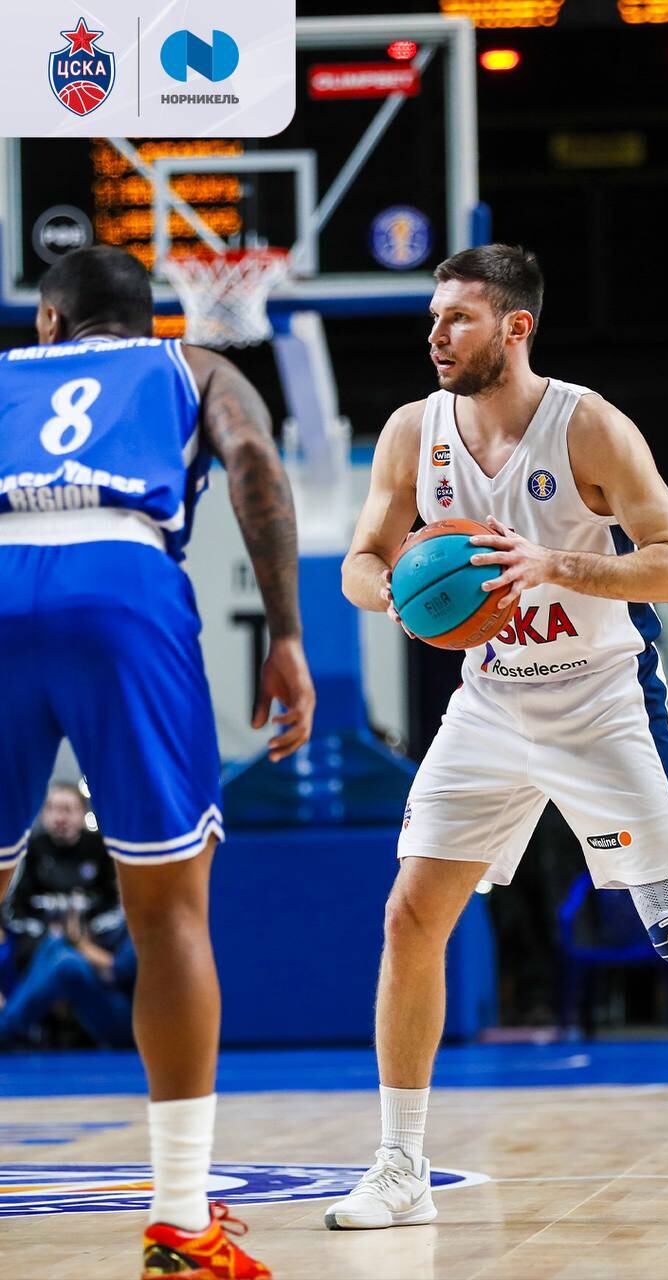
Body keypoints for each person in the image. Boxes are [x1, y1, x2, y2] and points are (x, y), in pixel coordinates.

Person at [336, 243, 668, 1230]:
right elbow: (361, 557)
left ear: (515, 327)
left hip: (603, 701)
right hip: (490, 702)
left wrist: (556, 564)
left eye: (459, 318)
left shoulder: (588, 426)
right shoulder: (412, 431)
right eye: (433, 318)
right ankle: (400, 1166)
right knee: (409, 917)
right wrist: (393, 592)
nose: (437, 335)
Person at [0, 246, 316, 1280]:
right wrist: (285, 634)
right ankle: (180, 1221)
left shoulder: (6, 371)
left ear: (50, 321)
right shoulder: (193, 365)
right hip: (121, 577)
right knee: (168, 911)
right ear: (149, 319)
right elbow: (254, 461)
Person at [0, 781, 134, 1047]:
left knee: (65, 959)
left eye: (67, 809)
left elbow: (116, 967)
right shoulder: (29, 851)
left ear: (82, 813)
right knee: (57, 949)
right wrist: (55, 935)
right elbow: (12, 912)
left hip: (109, 993)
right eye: (52, 808)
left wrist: (80, 940)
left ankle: (6, 1027)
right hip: (43, 954)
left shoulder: (103, 853)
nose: (59, 817)